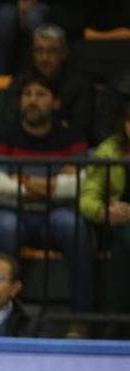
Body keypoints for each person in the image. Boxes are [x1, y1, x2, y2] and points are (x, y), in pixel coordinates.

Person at [0, 74, 92, 337]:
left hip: (56, 215)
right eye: (28, 95)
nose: (33, 101)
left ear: (54, 102)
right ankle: (0, 318)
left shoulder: (71, 136)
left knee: (74, 225)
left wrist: (22, 181)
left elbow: (79, 185)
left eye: (41, 95)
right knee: (4, 226)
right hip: (13, 213)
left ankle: (81, 319)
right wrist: (53, 184)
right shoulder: (3, 134)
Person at [0, 25, 94, 144]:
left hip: (64, 150)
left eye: (52, 51)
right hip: (23, 146)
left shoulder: (80, 85)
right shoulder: (20, 82)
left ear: (64, 53)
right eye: (39, 50)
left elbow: (81, 131)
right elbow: (9, 123)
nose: (44, 58)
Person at [80, 105, 130, 320]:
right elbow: (88, 197)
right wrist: (104, 212)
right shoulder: (109, 151)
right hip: (118, 225)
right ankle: (118, 318)